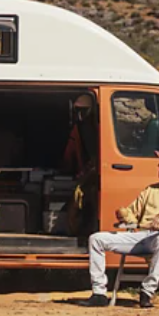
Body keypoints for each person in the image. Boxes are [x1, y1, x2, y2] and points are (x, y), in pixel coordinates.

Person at [82, 149, 159, 309]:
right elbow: (132, 212)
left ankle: (147, 291)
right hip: (143, 236)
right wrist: (125, 215)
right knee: (96, 239)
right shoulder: (151, 190)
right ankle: (99, 293)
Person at [63, 93, 99, 235]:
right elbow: (70, 153)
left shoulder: (92, 127)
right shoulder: (81, 128)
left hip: (92, 174)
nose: (80, 114)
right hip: (87, 173)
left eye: (83, 110)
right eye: (77, 110)